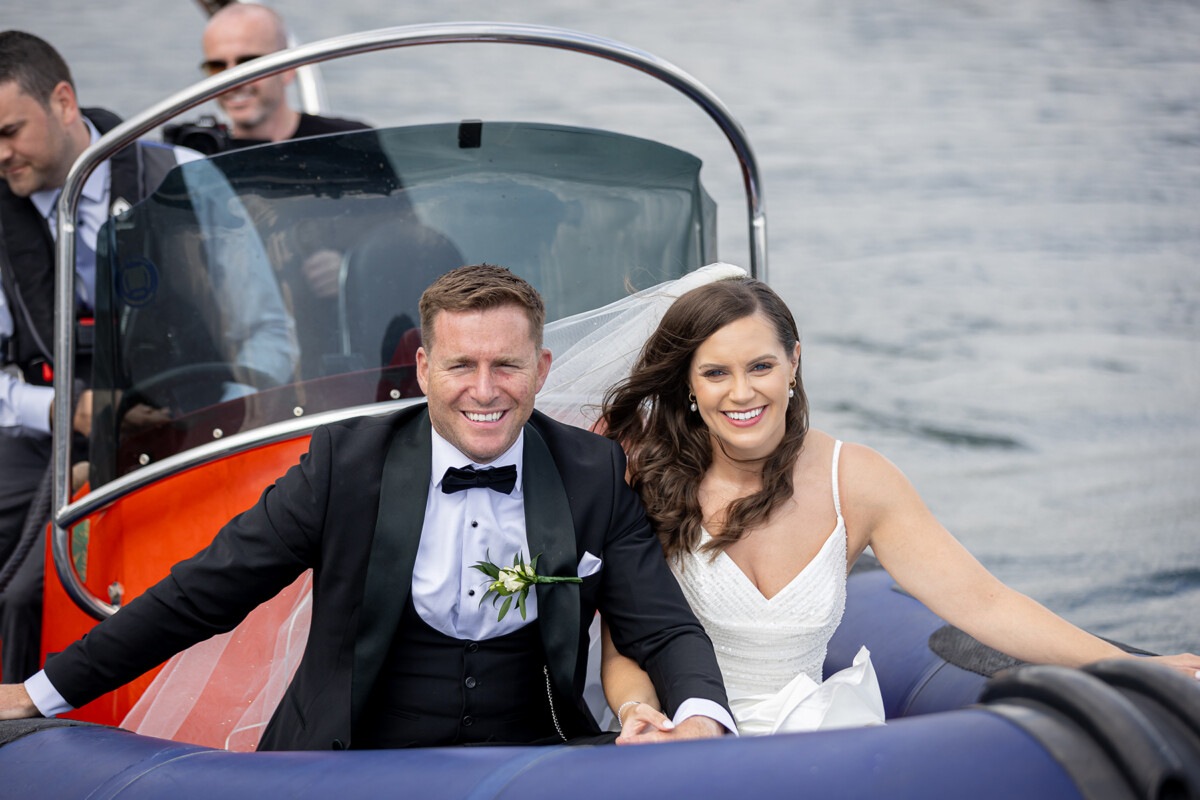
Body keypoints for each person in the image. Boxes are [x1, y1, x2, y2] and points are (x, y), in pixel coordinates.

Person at [0, 264, 734, 750]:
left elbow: (662, 626)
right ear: (423, 369)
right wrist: (41, 694)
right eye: (461, 366)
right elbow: (204, 592)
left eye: (506, 365)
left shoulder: (593, 470)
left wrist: (702, 716)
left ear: (540, 370)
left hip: (528, 760)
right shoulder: (346, 466)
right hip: (346, 762)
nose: (486, 390)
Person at [594, 271, 1200, 740]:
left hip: (817, 738)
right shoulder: (646, 478)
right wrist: (643, 717)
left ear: (794, 363)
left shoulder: (854, 479)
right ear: (690, 387)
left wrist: (1121, 663)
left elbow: (984, 603)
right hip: (690, 738)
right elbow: (624, 651)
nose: (743, 391)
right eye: (717, 373)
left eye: (761, 366)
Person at [0, 31, 204, 683]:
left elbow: (256, 325)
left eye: (9, 131)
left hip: (180, 420)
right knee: (22, 585)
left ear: (63, 102)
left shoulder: (180, 178)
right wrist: (64, 409)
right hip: (41, 430)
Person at [200, 3, 367, 148]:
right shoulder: (196, 157)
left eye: (248, 65)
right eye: (217, 67)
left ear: (287, 69)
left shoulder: (352, 142)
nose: (232, 83)